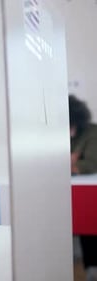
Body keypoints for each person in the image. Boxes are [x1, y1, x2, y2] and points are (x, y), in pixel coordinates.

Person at [68, 94, 97, 281]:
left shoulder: (92, 133)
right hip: (62, 190)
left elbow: (91, 163)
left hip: (88, 192)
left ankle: (91, 268)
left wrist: (73, 165)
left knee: (88, 228)